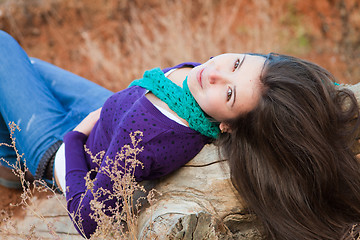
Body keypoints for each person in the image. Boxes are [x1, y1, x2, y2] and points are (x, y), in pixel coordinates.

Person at [0, 30, 359, 240]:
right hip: (109, 107)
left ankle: (21, 162)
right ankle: (8, 161)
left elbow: (90, 218)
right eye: (237, 62)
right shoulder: (246, 82)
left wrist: (74, 138)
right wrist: (325, 96)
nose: (216, 74)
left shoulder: (145, 138)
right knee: (22, 65)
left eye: (229, 94)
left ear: (229, 126)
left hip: (66, 148)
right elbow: (280, 76)